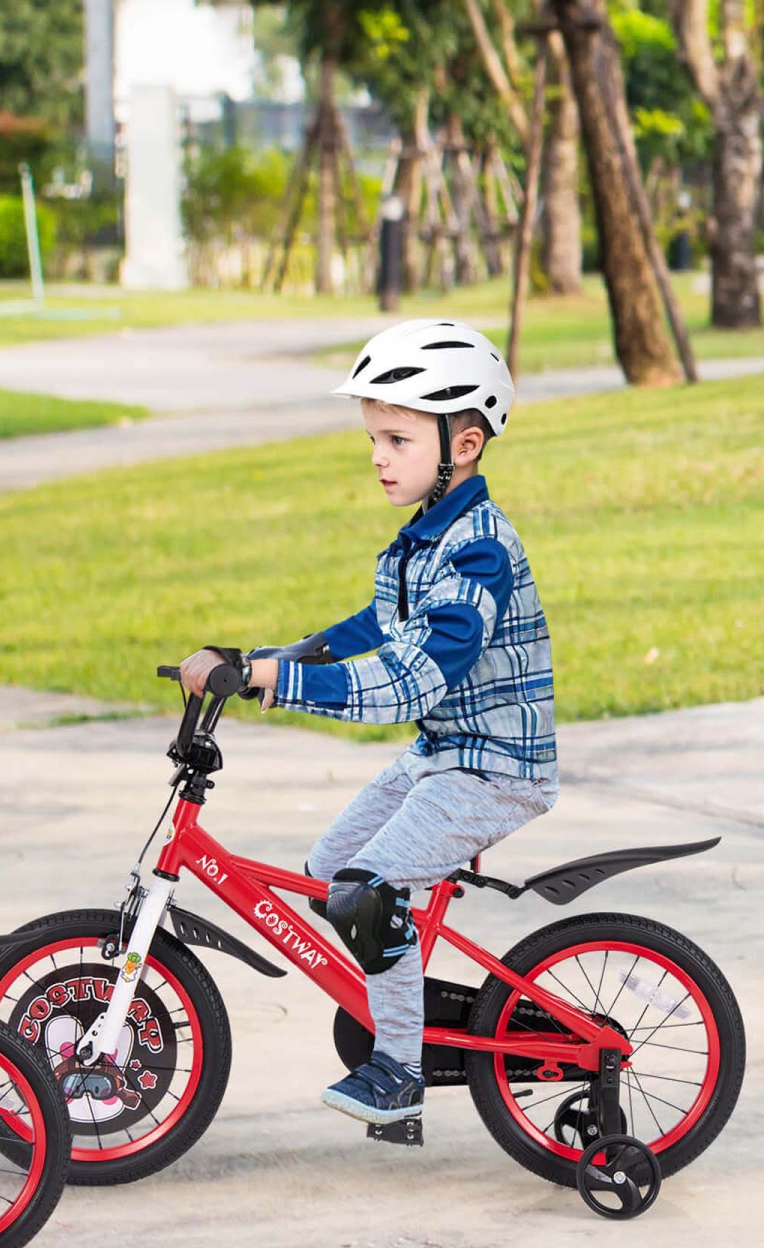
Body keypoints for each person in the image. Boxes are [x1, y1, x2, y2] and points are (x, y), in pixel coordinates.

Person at [181, 319, 558, 1131]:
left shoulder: (477, 552)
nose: (378, 457)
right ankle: (409, 1005)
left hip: (498, 769)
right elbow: (376, 629)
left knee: (367, 890)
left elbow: (412, 678)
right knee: (331, 871)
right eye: (373, 438)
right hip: (444, 758)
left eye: (396, 438)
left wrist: (285, 682)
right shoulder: (421, 541)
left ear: (464, 441)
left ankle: (399, 1067)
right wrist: (265, 659)